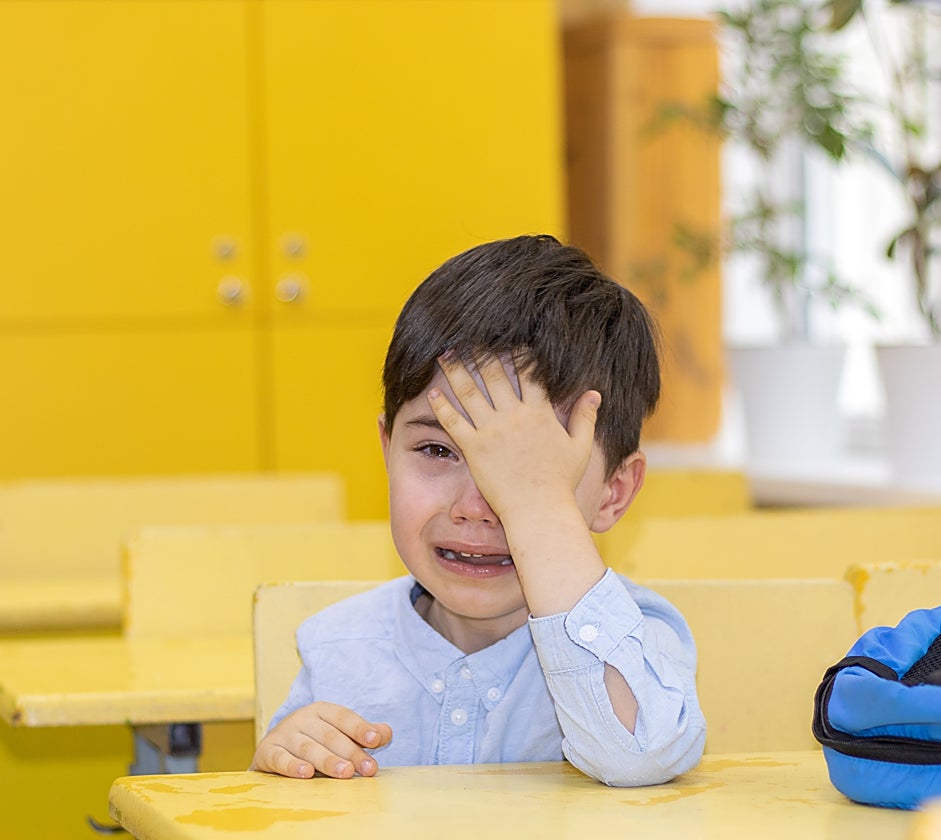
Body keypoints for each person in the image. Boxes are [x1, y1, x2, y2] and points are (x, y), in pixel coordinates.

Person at [251, 234, 706, 787]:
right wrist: (284, 762)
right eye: (437, 451)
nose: (476, 508)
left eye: (526, 470)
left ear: (614, 491)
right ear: (386, 451)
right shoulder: (339, 647)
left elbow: (639, 755)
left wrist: (539, 510)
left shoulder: (634, 639)